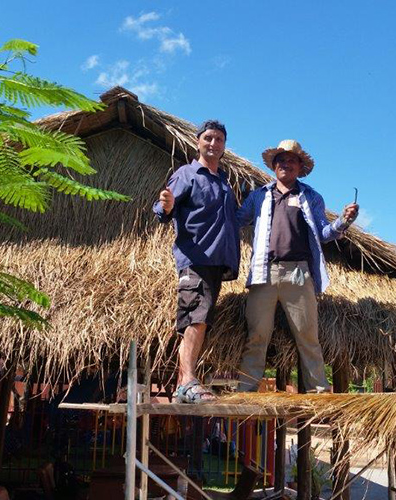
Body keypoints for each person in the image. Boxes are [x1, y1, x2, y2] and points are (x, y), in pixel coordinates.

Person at [237, 139, 359, 392]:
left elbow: (323, 233)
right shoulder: (258, 196)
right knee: (257, 336)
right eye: (281, 159)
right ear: (274, 165)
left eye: (292, 160)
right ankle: (246, 389)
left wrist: (344, 223)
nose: (286, 164)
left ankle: (319, 390)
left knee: (307, 336)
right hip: (264, 272)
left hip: (299, 273)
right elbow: (237, 220)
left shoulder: (311, 196)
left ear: (300, 167)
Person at [153, 120, 239, 403]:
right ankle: (188, 380)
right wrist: (166, 206)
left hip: (215, 262)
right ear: (198, 141)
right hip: (194, 259)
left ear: (224, 147)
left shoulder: (224, 182)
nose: (213, 144)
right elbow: (164, 208)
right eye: (208, 138)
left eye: (219, 140)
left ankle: (182, 385)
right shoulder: (187, 174)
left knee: (201, 320)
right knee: (195, 317)